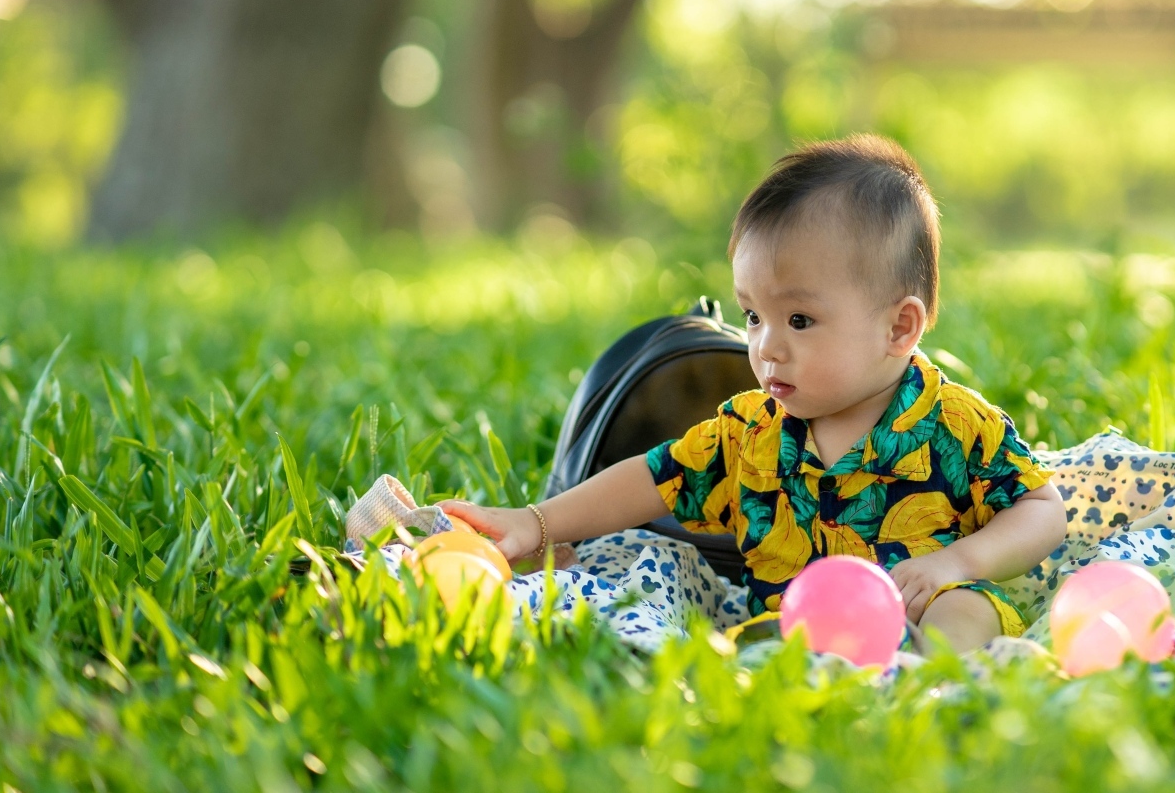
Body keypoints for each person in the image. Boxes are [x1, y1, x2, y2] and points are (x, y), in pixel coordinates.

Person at [442, 135, 1067, 653]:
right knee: (748, 636)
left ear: (899, 327)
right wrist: (537, 523)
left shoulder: (956, 424)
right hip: (791, 622)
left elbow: (1042, 508)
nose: (766, 346)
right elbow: (652, 479)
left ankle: (935, 682)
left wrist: (959, 563)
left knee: (964, 614)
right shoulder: (749, 431)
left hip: (921, 603)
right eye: (751, 317)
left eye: (798, 320)